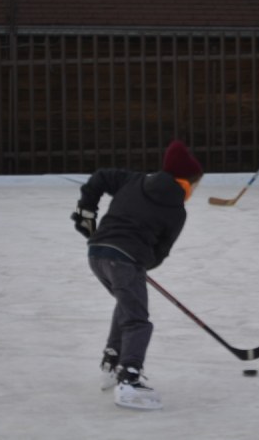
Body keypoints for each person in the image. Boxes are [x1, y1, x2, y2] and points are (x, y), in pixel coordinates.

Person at [70, 140, 203, 410]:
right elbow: (161, 252)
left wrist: (86, 210)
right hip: (124, 262)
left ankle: (112, 361)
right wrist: (140, 265)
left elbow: (100, 177)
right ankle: (129, 379)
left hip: (96, 253)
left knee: (127, 305)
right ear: (187, 182)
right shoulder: (177, 211)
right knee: (137, 321)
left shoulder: (134, 180)